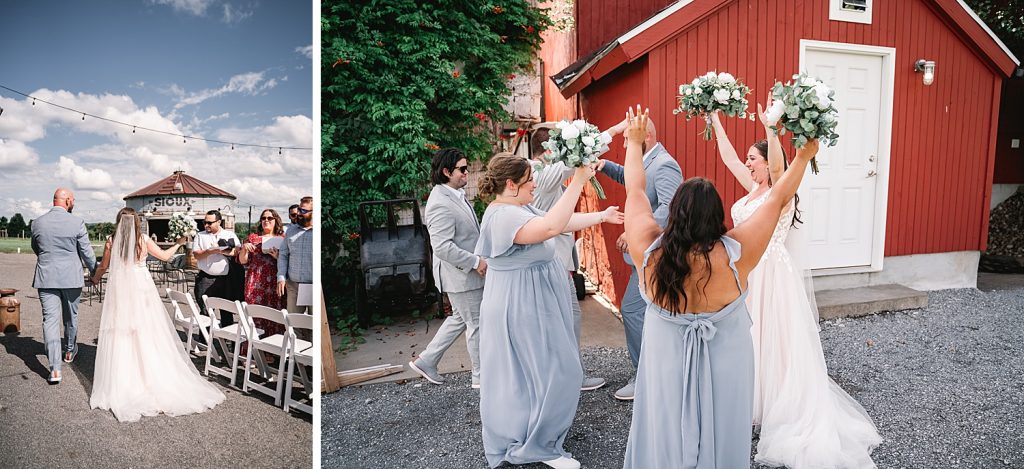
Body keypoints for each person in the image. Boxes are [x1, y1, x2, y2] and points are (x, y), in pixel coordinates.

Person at [619, 106, 818, 468]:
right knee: (723, 421)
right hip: (726, 359)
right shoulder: (737, 254)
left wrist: (634, 144)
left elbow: (635, 190)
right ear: (717, 214)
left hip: (666, 357)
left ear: (674, 211)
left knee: (664, 421)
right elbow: (777, 198)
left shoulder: (649, 252)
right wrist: (804, 155)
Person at [710, 108, 881, 467]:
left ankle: (779, 405)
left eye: (752, 159)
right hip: (749, 270)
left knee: (776, 338)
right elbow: (726, 156)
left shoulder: (779, 191)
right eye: (749, 160)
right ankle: (751, 401)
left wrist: (771, 130)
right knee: (751, 336)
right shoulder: (753, 188)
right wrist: (714, 118)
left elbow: (776, 170)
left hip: (772, 271)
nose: (748, 163)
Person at [475, 154, 624, 469]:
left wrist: (601, 215)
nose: (534, 184)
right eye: (529, 180)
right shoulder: (502, 216)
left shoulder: (519, 207)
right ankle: (538, 446)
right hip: (521, 304)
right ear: (511, 184)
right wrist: (580, 180)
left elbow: (561, 222)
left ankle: (538, 436)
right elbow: (550, 226)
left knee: (540, 373)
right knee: (552, 370)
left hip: (534, 301)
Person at [89, 208, 225, 422]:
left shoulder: (111, 240)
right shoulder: (142, 240)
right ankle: (149, 376)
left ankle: (124, 380)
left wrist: (95, 278)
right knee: (145, 329)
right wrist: (180, 242)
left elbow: (104, 266)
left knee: (122, 330)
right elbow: (164, 257)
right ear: (136, 223)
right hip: (141, 288)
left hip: (121, 290)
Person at [596, 115, 682, 400]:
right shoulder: (649, 161)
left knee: (633, 310)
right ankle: (656, 371)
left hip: (655, 255)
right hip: (644, 257)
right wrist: (605, 165)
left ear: (645, 138)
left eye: (628, 139)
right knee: (642, 313)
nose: (624, 144)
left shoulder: (666, 165)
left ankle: (646, 376)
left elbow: (671, 210)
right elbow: (632, 179)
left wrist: (634, 232)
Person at [529, 127, 612, 392]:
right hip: (551, 260)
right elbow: (574, 163)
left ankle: (570, 374)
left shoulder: (545, 173)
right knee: (563, 320)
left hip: (559, 259)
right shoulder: (542, 175)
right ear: (551, 151)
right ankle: (567, 378)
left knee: (570, 317)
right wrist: (613, 132)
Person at [409, 148, 485, 388]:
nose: (467, 173)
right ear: (446, 171)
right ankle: (480, 378)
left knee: (460, 319)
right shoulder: (440, 203)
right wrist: (475, 261)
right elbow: (441, 247)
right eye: (462, 169)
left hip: (463, 274)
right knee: (477, 324)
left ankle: (427, 360)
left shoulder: (455, 194)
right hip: (461, 276)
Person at [31, 188, 97, 384]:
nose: (73, 203)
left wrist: (48, 261)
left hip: (46, 277)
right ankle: (69, 351)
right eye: (73, 200)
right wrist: (95, 271)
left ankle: (55, 370)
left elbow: (36, 248)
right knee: (71, 316)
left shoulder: (37, 223)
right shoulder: (76, 222)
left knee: (49, 320)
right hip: (71, 278)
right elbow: (86, 251)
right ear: (68, 201)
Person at [239, 208, 286, 338]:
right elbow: (243, 261)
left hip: (274, 281)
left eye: (270, 218)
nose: (266, 221)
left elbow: (287, 262)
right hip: (255, 280)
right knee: (254, 313)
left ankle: (272, 352)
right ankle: (251, 350)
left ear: (276, 221)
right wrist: (244, 249)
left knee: (274, 313)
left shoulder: (282, 239)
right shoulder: (253, 238)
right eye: (263, 218)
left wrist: (277, 257)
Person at [191, 210, 240, 323]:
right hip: (205, 278)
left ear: (219, 222)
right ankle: (205, 339)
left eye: (209, 223)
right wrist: (210, 251)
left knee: (227, 311)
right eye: (205, 222)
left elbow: (237, 251)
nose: (206, 225)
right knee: (205, 310)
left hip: (226, 278)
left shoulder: (230, 234)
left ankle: (228, 339)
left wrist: (223, 251)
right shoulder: (200, 235)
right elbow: (196, 255)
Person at [278, 197, 313, 314]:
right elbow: (283, 255)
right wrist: (281, 277)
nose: (298, 214)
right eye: (299, 210)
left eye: (303, 211)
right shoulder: (291, 231)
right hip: (294, 285)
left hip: (313, 285)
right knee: (293, 323)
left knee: (313, 324)